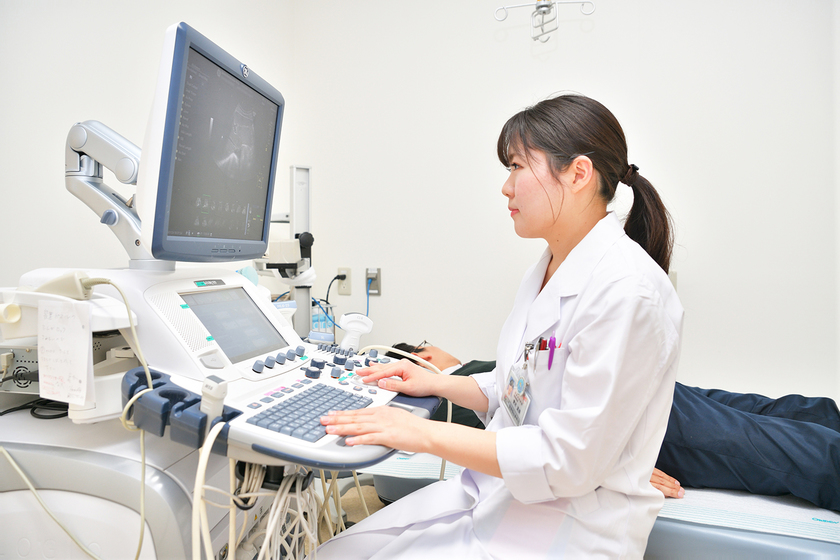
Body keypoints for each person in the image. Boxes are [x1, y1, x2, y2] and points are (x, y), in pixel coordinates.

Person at [317, 94, 684, 558]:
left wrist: (420, 434)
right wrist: (437, 382)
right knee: (338, 550)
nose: (506, 188)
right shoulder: (548, 269)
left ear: (578, 174)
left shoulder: (628, 292)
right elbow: (518, 387)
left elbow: (567, 461)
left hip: (565, 531)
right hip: (498, 497)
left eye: (516, 167)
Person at [393, 343, 840, 512]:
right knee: (765, 430)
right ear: (422, 357)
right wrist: (612, 463)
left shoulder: (466, 376)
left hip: (629, 401)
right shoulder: (446, 399)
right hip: (624, 414)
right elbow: (522, 438)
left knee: (766, 426)